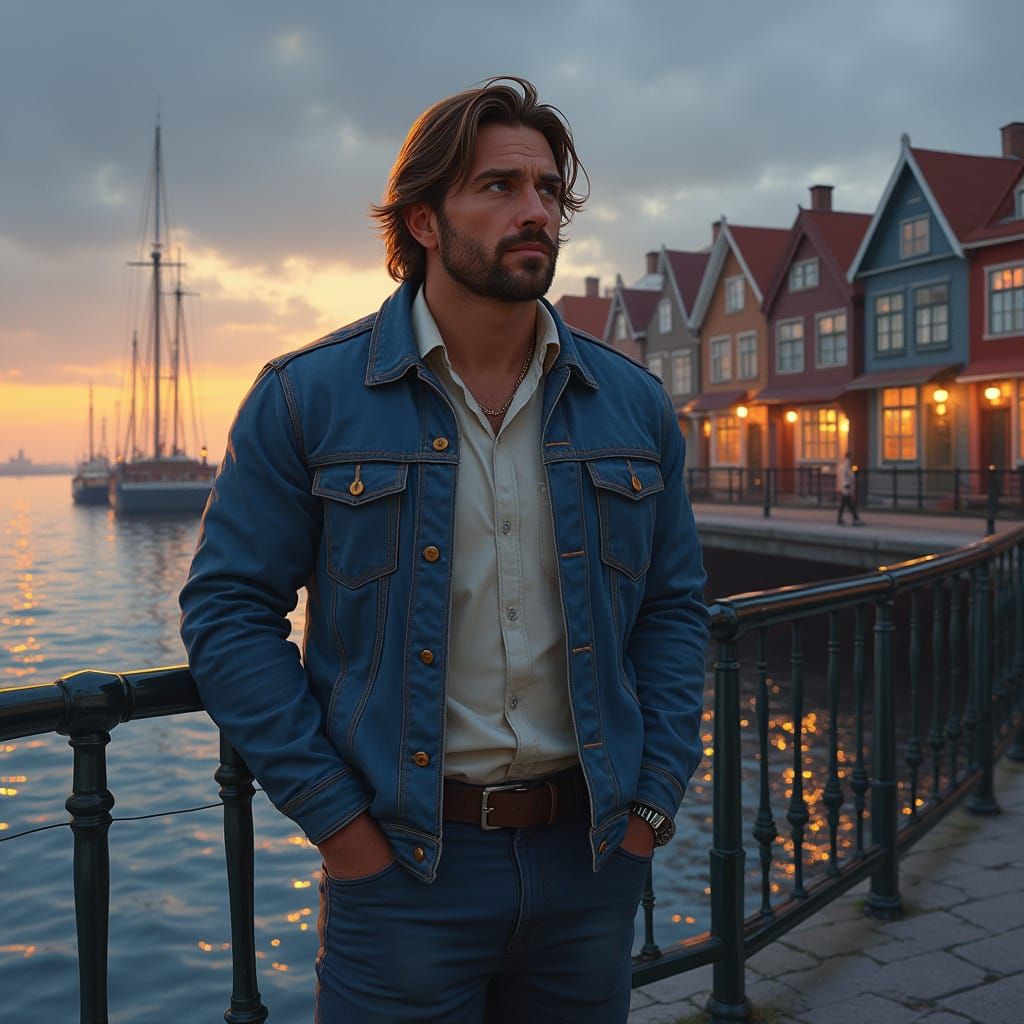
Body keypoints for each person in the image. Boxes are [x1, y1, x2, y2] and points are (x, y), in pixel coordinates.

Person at [179, 76, 709, 1023]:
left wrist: (650, 810)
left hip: (591, 861)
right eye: (499, 186)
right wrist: (341, 829)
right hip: (403, 872)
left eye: (548, 190)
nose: (535, 210)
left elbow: (672, 610)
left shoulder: (631, 406)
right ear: (423, 221)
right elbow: (227, 613)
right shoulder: (307, 396)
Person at [837, 450, 863, 525]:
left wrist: (854, 469)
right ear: (849, 457)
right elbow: (845, 475)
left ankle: (841, 519)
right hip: (846, 487)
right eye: (851, 457)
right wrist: (846, 484)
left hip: (846, 487)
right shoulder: (846, 465)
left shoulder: (847, 464)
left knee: (845, 504)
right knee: (849, 504)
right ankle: (855, 519)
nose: (852, 458)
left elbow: (851, 473)